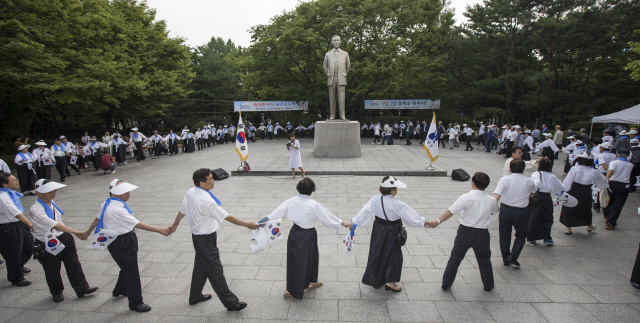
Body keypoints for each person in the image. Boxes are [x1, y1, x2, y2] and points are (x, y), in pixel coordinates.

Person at [168, 169, 257, 310]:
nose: (213, 180)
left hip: (198, 238)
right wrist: (248, 225)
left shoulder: (191, 192)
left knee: (200, 268)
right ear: (202, 183)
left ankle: (195, 296)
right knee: (216, 271)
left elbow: (182, 211)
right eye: (210, 179)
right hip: (205, 240)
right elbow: (227, 217)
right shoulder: (206, 200)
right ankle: (231, 303)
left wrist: (174, 224)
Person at [83, 181, 171, 312]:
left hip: (116, 240)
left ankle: (120, 289)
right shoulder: (117, 209)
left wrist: (88, 232)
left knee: (126, 267)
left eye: (127, 190)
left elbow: (97, 219)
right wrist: (160, 230)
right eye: (123, 191)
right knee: (132, 272)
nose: (127, 193)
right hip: (122, 241)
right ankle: (136, 303)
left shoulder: (107, 202)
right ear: (113, 193)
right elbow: (138, 224)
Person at [259, 178, 348, 299]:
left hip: (295, 233)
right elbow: (328, 218)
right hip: (308, 235)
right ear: (312, 190)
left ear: (298, 188)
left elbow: (276, 213)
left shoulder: (291, 201)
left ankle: (305, 283)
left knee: (295, 260)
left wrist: (262, 222)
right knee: (309, 258)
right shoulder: (314, 205)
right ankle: (296, 287)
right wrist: (343, 223)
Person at [351, 176, 426, 292]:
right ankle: (390, 282)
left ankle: (377, 278)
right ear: (392, 190)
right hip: (392, 231)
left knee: (378, 253)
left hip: (378, 229)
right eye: (396, 188)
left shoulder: (375, 199)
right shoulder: (397, 204)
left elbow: (365, 211)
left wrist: (355, 223)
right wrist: (424, 222)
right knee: (393, 255)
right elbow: (411, 218)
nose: (396, 190)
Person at [29, 179, 98, 302]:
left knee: (74, 263)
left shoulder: (51, 202)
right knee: (52, 269)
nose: (53, 193)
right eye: (50, 191)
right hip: (47, 241)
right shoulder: (36, 209)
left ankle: (82, 288)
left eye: (54, 190)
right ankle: (57, 292)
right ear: (39, 193)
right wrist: (76, 232)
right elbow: (54, 225)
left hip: (63, 237)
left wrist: (69, 234)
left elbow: (59, 222)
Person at [426, 172, 498, 291]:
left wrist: (437, 221)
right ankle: (488, 284)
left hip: (465, 232)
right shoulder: (491, 200)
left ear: (473, 183)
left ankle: (446, 283)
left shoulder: (466, 197)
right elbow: (494, 211)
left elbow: (451, 211)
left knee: (455, 258)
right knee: (484, 260)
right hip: (482, 234)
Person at [493, 159, 537, 267]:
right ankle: (514, 255)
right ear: (523, 169)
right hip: (521, 211)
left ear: (511, 168)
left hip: (506, 210)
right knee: (521, 235)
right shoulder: (528, 181)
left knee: (504, 235)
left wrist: (492, 207)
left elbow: (496, 195)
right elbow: (533, 192)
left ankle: (505, 258)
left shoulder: (504, 179)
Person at [560, 152, 608, 235]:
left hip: (573, 189)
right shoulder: (594, 171)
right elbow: (602, 182)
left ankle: (568, 228)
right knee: (586, 208)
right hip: (586, 190)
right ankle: (589, 225)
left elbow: (568, 181)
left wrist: (564, 190)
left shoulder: (575, 168)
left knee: (570, 207)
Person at [0, 173, 34, 286]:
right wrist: (28, 222)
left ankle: (18, 266)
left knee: (29, 247)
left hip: (19, 223)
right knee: (13, 253)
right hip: (8, 226)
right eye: (13, 180)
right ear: (4, 184)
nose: (17, 181)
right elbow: (16, 212)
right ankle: (16, 277)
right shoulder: (3, 197)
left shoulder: (12, 193)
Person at [527, 158, 563, 246]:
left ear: (539, 166)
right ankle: (547, 237)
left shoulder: (536, 173)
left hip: (537, 197)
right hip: (547, 197)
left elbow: (535, 183)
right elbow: (560, 188)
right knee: (547, 217)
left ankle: (532, 238)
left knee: (533, 217)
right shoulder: (553, 176)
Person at [603, 148, 634, 230]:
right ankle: (611, 222)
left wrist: (605, 180)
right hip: (624, 185)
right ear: (628, 155)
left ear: (618, 154)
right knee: (618, 203)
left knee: (607, 200)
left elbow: (610, 171)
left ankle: (607, 217)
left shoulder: (614, 162)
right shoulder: (631, 165)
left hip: (612, 183)